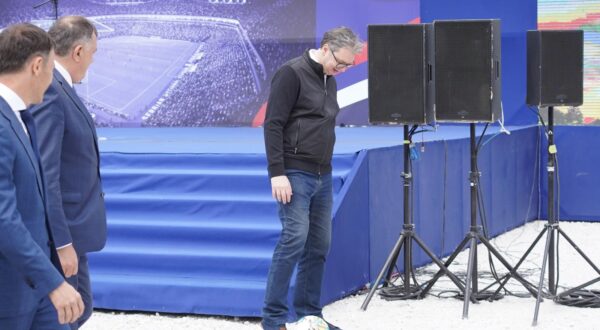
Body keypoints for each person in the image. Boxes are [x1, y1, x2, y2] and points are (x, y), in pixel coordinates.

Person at [262, 26, 363, 330]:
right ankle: (273, 320)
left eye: (348, 66)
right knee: (293, 239)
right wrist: (277, 172)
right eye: (340, 63)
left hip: (323, 174)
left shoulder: (329, 80)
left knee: (319, 245)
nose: (342, 70)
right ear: (326, 47)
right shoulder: (290, 74)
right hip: (294, 173)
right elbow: (273, 125)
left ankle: (310, 315)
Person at [0, 23, 84, 329]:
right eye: (50, 69)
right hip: (11, 291)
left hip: (35, 286)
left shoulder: (20, 116)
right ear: (37, 66)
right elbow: (3, 218)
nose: (51, 81)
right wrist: (52, 281)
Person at [30, 16, 106, 330]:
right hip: (63, 234)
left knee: (80, 307)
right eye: (92, 53)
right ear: (77, 51)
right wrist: (61, 242)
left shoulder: (61, 88)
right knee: (66, 314)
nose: (91, 61)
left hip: (75, 228)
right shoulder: (51, 91)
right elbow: (47, 172)